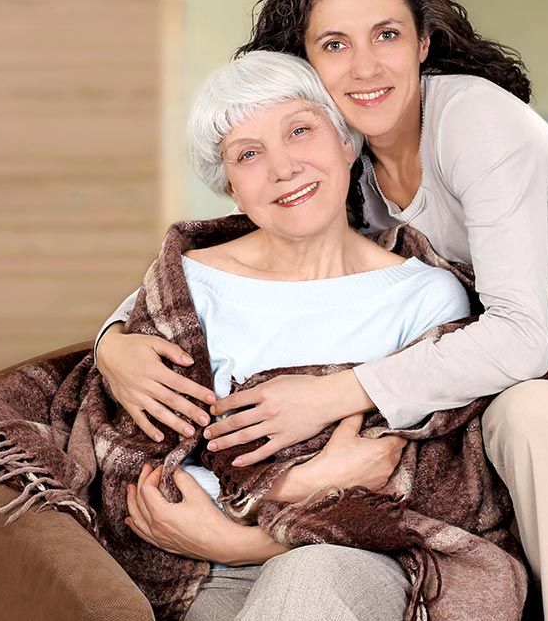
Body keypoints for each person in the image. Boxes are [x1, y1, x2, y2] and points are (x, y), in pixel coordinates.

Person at [99, 0, 548, 621]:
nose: (365, 65)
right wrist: (112, 340)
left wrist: (323, 398)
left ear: (422, 44)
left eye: (387, 35)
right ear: (308, 65)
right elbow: (229, 260)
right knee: (531, 427)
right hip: (530, 391)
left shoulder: (474, 121)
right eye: (334, 45)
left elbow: (521, 334)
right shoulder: (355, 162)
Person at [121, 49, 471, 621]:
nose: (282, 168)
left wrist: (250, 534)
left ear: (347, 142)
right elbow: (147, 470)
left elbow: (413, 478)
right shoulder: (190, 281)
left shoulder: (426, 298)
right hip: (191, 566)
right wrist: (308, 481)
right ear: (230, 185)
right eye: (248, 153)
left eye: (300, 131)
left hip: (351, 559)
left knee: (307, 583)